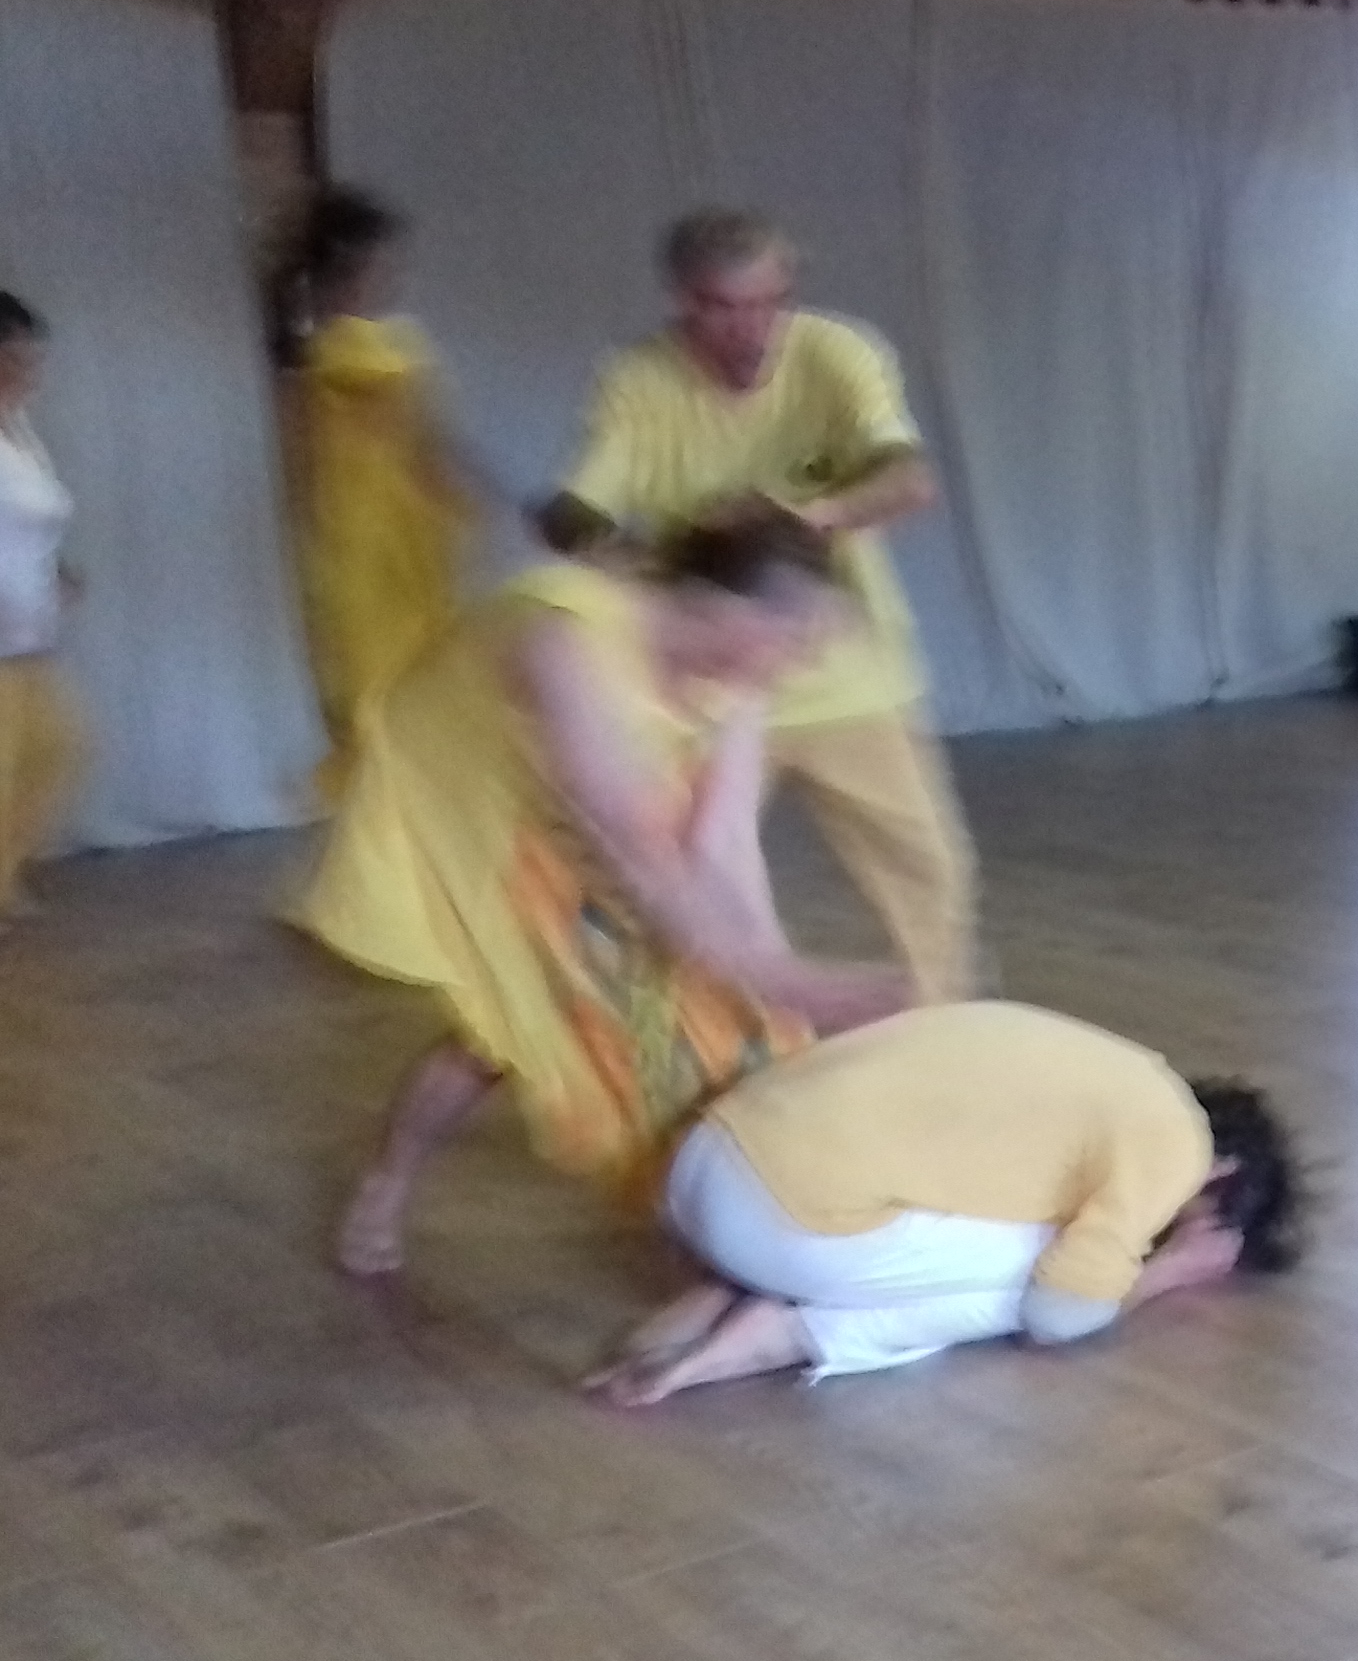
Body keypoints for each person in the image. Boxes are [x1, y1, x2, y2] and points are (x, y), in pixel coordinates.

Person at [303, 497, 909, 1276]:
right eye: (792, 638)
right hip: (494, 800)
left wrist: (779, 980)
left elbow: (724, 841)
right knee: (503, 1029)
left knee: (739, 1019)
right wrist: (798, 985)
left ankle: (732, 1204)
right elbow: (636, 848)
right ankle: (388, 1180)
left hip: (622, 800)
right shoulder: (565, 636)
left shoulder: (742, 677)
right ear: (726, 609)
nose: (798, 663)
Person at [545, 209, 979, 1005]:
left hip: (848, 678)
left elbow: (909, 480)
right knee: (676, 888)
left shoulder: (836, 354)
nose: (750, 329)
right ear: (683, 299)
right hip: (711, 692)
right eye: (723, 307)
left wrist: (799, 521)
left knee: (930, 875)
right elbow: (572, 517)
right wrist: (673, 573)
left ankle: (939, 1027)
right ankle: (681, 1053)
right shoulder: (636, 381)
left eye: (767, 303)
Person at [585, 1001, 1302, 1406]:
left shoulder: (1112, 1076)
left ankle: (739, 1282)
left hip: (703, 1159)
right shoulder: (1177, 1145)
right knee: (1052, 1274)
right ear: (1225, 1172)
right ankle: (784, 1332)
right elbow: (1056, 1321)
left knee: (1020, 1231)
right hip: (777, 1214)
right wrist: (1167, 1272)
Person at [283, 187, 476, 803]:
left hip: (397, 541)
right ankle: (385, 840)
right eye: (385, 264)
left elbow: (424, 443)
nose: (394, 277)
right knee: (380, 696)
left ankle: (407, 834)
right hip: (365, 549)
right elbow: (424, 436)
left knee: (414, 689)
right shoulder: (345, 351)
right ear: (355, 266)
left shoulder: (363, 346)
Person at [0, 292, 82, 925]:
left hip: (29, 630)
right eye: (19, 356)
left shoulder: (22, 432)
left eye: (34, 356)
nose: (32, 369)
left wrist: (59, 572)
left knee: (59, 748)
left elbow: (31, 524)